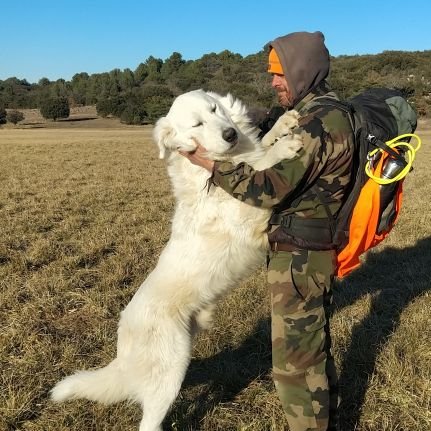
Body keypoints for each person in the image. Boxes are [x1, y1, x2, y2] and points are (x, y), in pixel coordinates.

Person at [180, 31, 354, 431]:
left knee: (296, 361)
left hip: (302, 255)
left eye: (279, 73)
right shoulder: (315, 111)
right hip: (303, 248)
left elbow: (265, 188)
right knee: (311, 347)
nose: (273, 81)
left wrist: (209, 163)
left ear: (302, 70)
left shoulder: (320, 122)